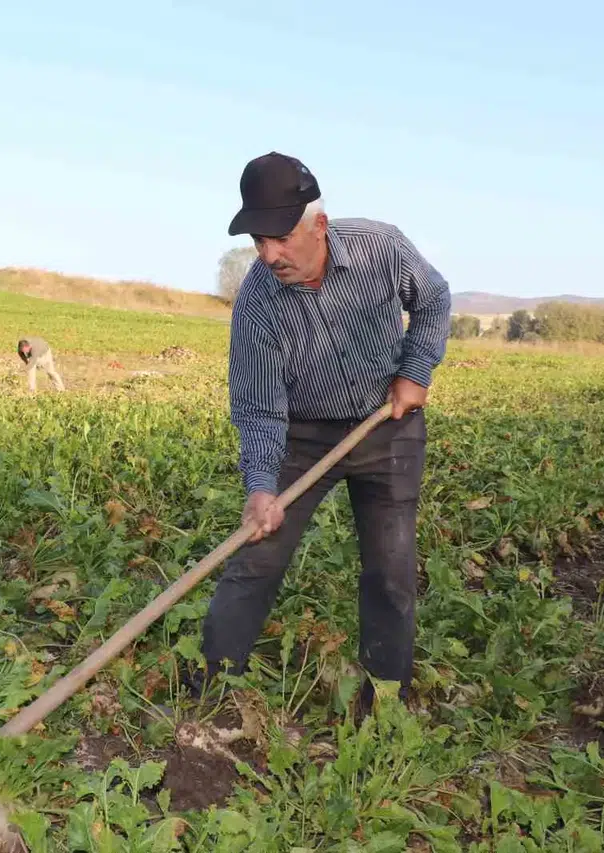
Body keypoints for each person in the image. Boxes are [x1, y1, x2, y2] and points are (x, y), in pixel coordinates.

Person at [193, 151, 452, 719]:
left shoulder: (380, 248)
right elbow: (259, 406)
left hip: (387, 424)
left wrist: (415, 371)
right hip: (302, 437)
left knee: (390, 569)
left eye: (280, 237)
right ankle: (213, 694)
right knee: (255, 558)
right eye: (259, 239)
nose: (269, 254)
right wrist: (261, 486)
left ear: (319, 225)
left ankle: (383, 704)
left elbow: (434, 300)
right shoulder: (258, 300)